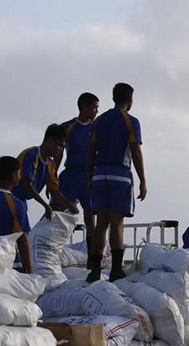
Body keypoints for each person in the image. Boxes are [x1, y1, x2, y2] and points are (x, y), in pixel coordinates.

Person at [87, 82, 146, 282]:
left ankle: (94, 269)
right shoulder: (131, 122)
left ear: (113, 98)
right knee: (117, 223)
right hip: (119, 174)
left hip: (99, 174)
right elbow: (135, 151)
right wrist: (143, 180)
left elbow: (91, 150)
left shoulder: (100, 121)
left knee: (100, 223)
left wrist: (89, 176)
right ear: (129, 101)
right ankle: (116, 269)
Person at [55, 92, 99, 263]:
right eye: (94, 107)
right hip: (71, 174)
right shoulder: (68, 127)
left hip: (89, 176)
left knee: (90, 216)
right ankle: (46, 245)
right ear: (84, 106)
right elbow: (58, 154)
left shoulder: (97, 127)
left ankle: (92, 257)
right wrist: (53, 177)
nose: (96, 111)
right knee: (57, 210)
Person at [13, 124, 79, 222]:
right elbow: (27, 184)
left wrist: (70, 205)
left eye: (63, 147)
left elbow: (54, 191)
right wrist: (46, 206)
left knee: (21, 232)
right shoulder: (31, 156)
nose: (60, 150)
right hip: (9, 196)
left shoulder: (50, 164)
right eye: (59, 145)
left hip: (21, 200)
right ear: (50, 141)